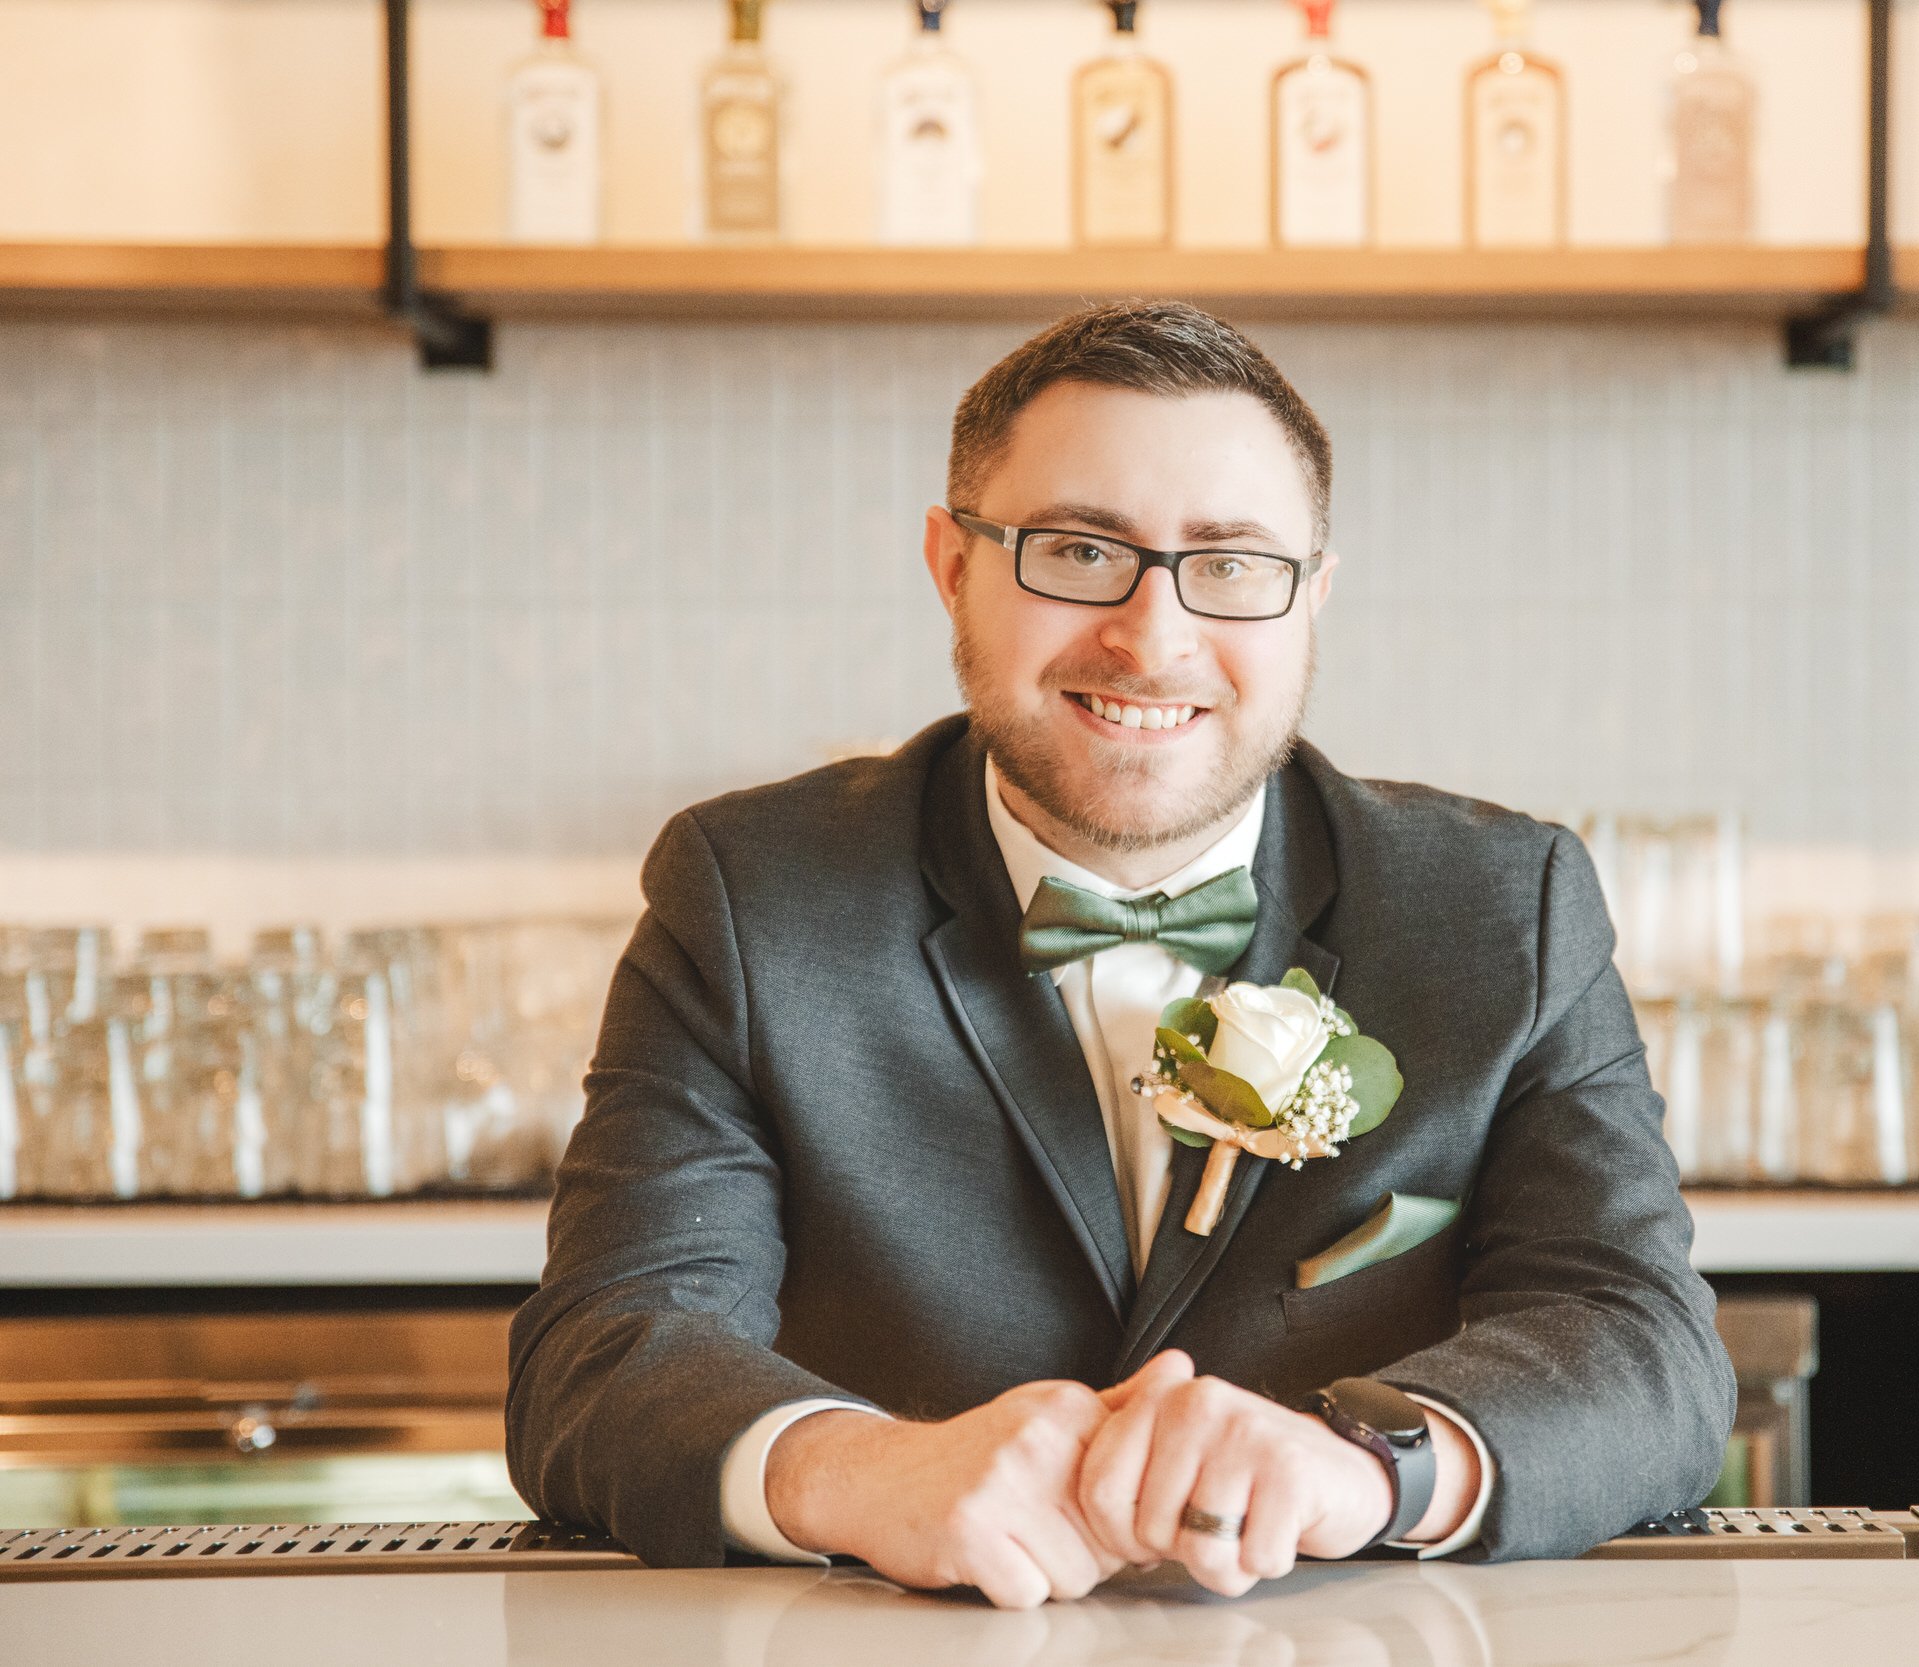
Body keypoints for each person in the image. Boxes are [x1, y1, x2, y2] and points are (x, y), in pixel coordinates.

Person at [507, 300, 1735, 1609]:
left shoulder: (1507, 904)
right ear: (951, 566)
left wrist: (1361, 1469)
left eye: (1232, 564)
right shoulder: (752, 897)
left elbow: (1644, 1345)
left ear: (1314, 596)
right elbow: (607, 1351)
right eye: (1078, 550)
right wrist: (861, 1471)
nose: (1153, 638)